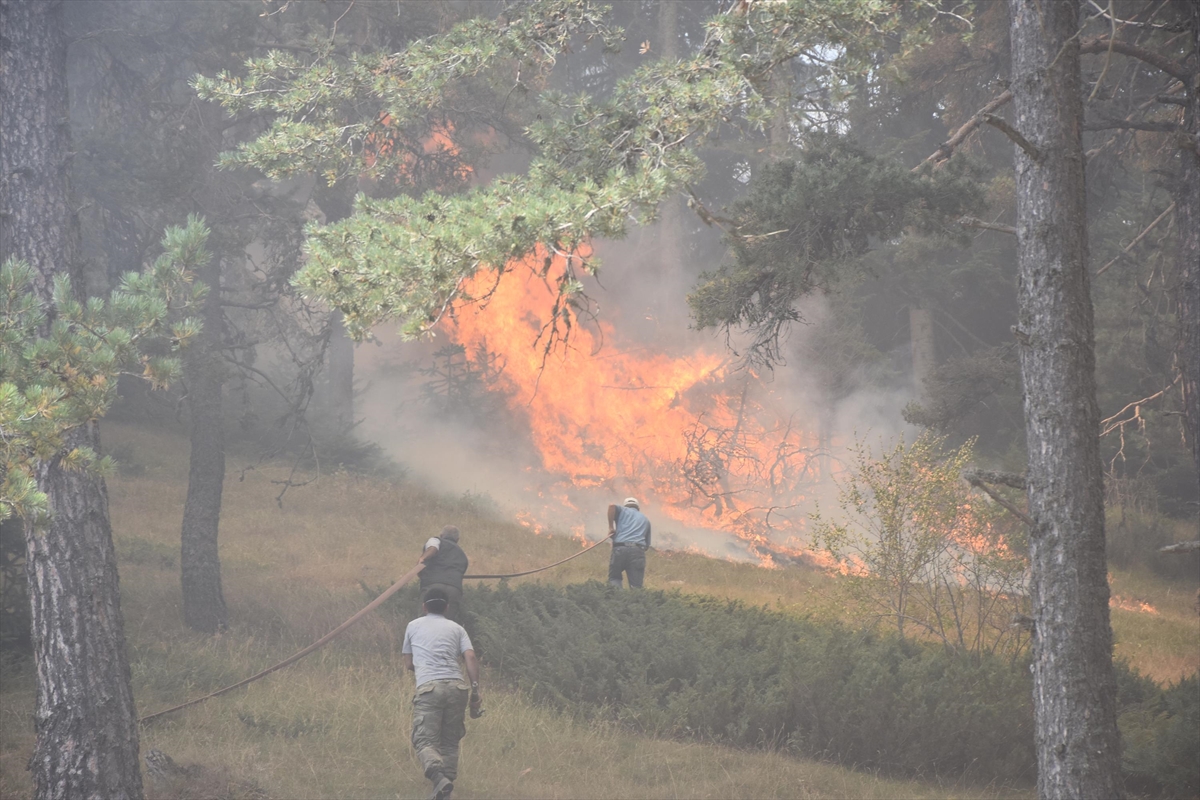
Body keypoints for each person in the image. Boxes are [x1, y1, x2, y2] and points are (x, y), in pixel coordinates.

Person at [402, 587, 483, 800]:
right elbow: (471, 657)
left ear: (424, 606)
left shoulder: (413, 626)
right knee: (449, 742)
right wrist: (475, 691)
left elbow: (409, 663)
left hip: (430, 688)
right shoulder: (457, 628)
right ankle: (445, 793)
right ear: (446, 608)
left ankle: (438, 778)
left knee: (424, 741)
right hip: (457, 688)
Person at [418, 525, 469, 620]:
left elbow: (433, 548)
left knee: (424, 620)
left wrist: (423, 558)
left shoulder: (436, 540)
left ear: (441, 535)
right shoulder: (462, 555)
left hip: (433, 585)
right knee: (447, 622)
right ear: (457, 539)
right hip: (454, 589)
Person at [606, 497, 651, 588]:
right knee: (636, 585)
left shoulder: (622, 511)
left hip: (620, 549)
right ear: (638, 508)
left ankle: (616, 599)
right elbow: (647, 545)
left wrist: (611, 527)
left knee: (615, 578)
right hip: (638, 551)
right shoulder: (646, 520)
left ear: (625, 506)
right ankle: (634, 601)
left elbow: (611, 506)